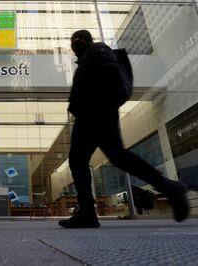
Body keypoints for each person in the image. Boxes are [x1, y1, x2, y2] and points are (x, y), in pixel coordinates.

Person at [58, 30, 190, 228]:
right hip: (96, 112)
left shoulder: (97, 49)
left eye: (76, 40)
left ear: (84, 41)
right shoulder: (89, 57)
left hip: (95, 112)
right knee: (116, 157)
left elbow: (110, 73)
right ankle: (170, 188)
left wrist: (86, 97)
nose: (73, 45)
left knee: (80, 160)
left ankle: (87, 212)